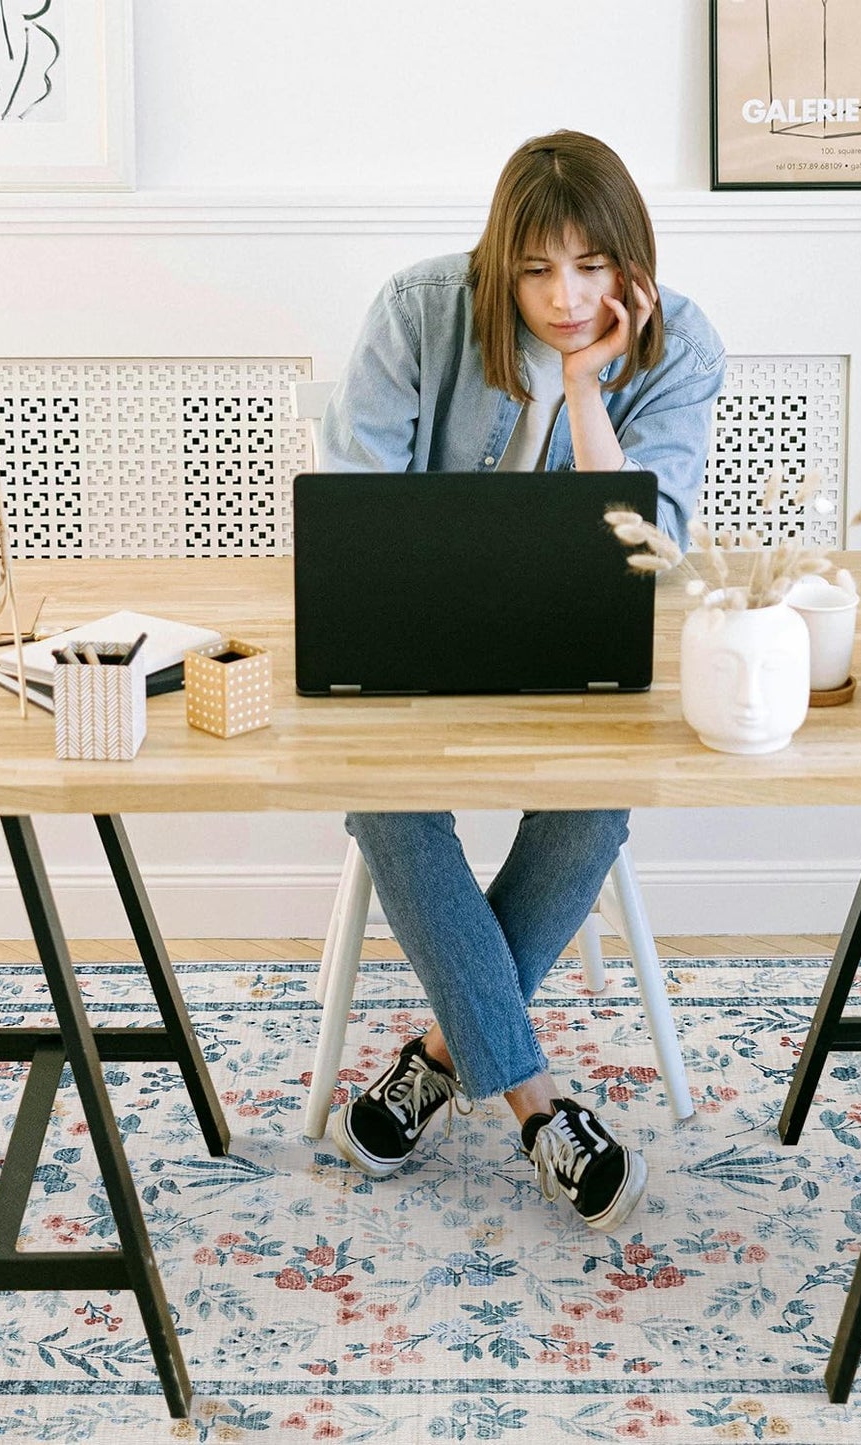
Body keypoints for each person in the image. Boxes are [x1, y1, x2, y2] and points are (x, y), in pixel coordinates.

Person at [319, 130, 725, 1233]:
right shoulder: (415, 310)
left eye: (591, 268)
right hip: (414, 648)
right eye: (536, 269)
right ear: (499, 258)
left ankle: (440, 1055)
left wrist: (589, 390)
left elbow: (649, 552)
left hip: (576, 654)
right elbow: (354, 512)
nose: (562, 296)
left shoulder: (677, 345)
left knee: (595, 798)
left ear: (628, 263)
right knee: (387, 797)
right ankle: (540, 1107)